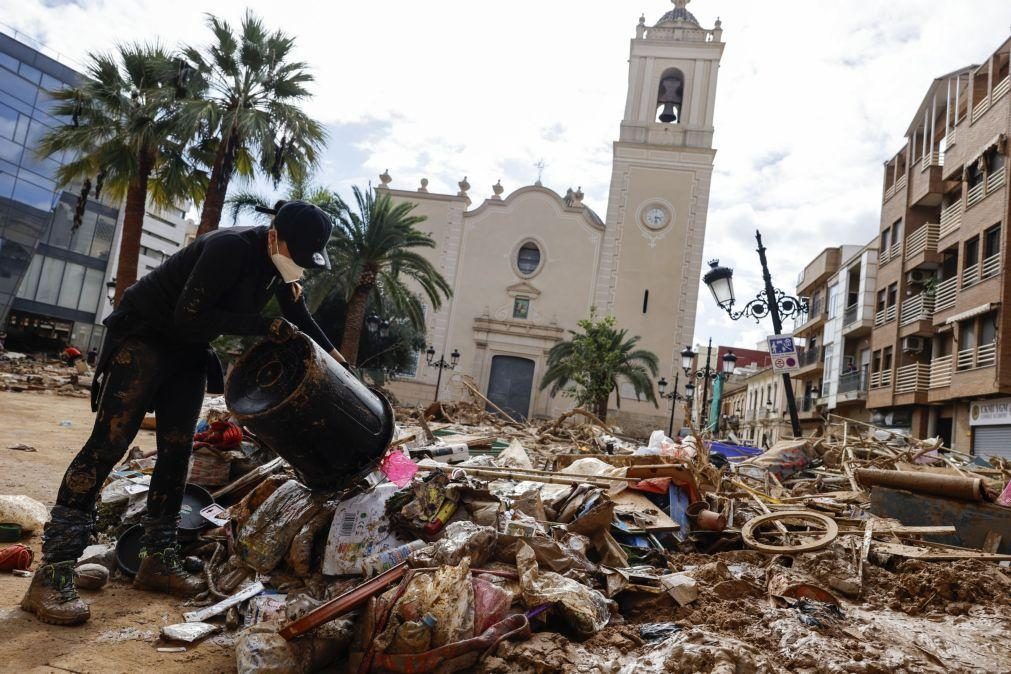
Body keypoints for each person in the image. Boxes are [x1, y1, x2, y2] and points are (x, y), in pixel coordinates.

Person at [21, 200, 346, 626]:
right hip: (146, 336)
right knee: (108, 446)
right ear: (274, 235)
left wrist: (339, 363)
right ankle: (53, 573)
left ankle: (158, 561)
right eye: (296, 255)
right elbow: (190, 316)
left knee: (178, 453)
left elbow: (298, 317)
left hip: (189, 349)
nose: (298, 266)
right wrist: (262, 326)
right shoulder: (229, 247)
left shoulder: (279, 266)